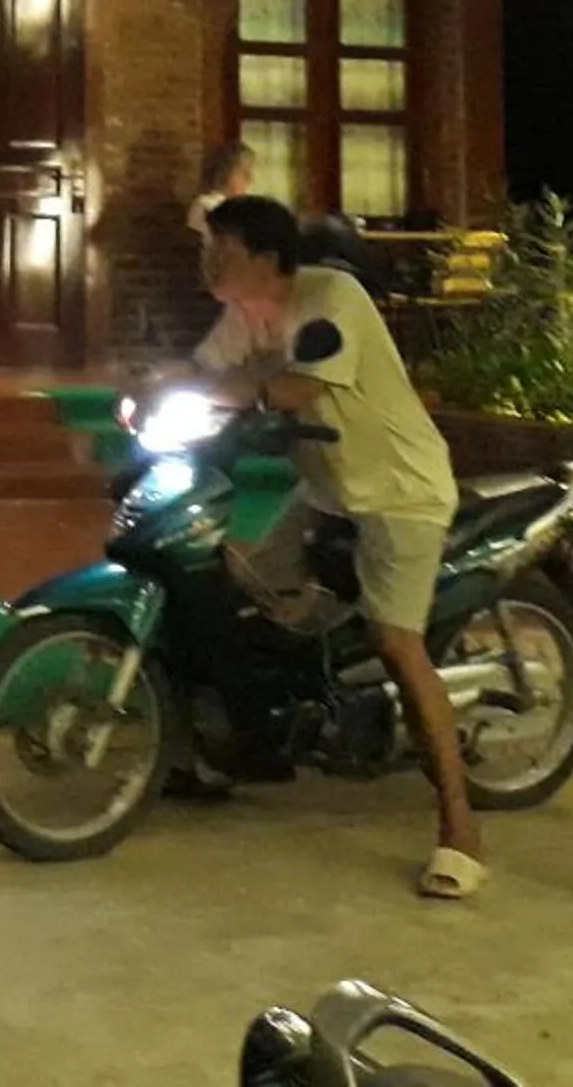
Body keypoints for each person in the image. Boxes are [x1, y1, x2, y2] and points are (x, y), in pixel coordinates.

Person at [192, 193, 482, 902]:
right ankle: (234, 747)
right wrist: (143, 395)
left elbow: (291, 389)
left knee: (395, 641)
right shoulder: (246, 313)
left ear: (264, 258)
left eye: (222, 249)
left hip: (399, 493)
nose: (209, 260)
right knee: (234, 588)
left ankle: (460, 831)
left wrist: (243, 393)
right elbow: (207, 373)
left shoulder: (332, 296)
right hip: (325, 491)